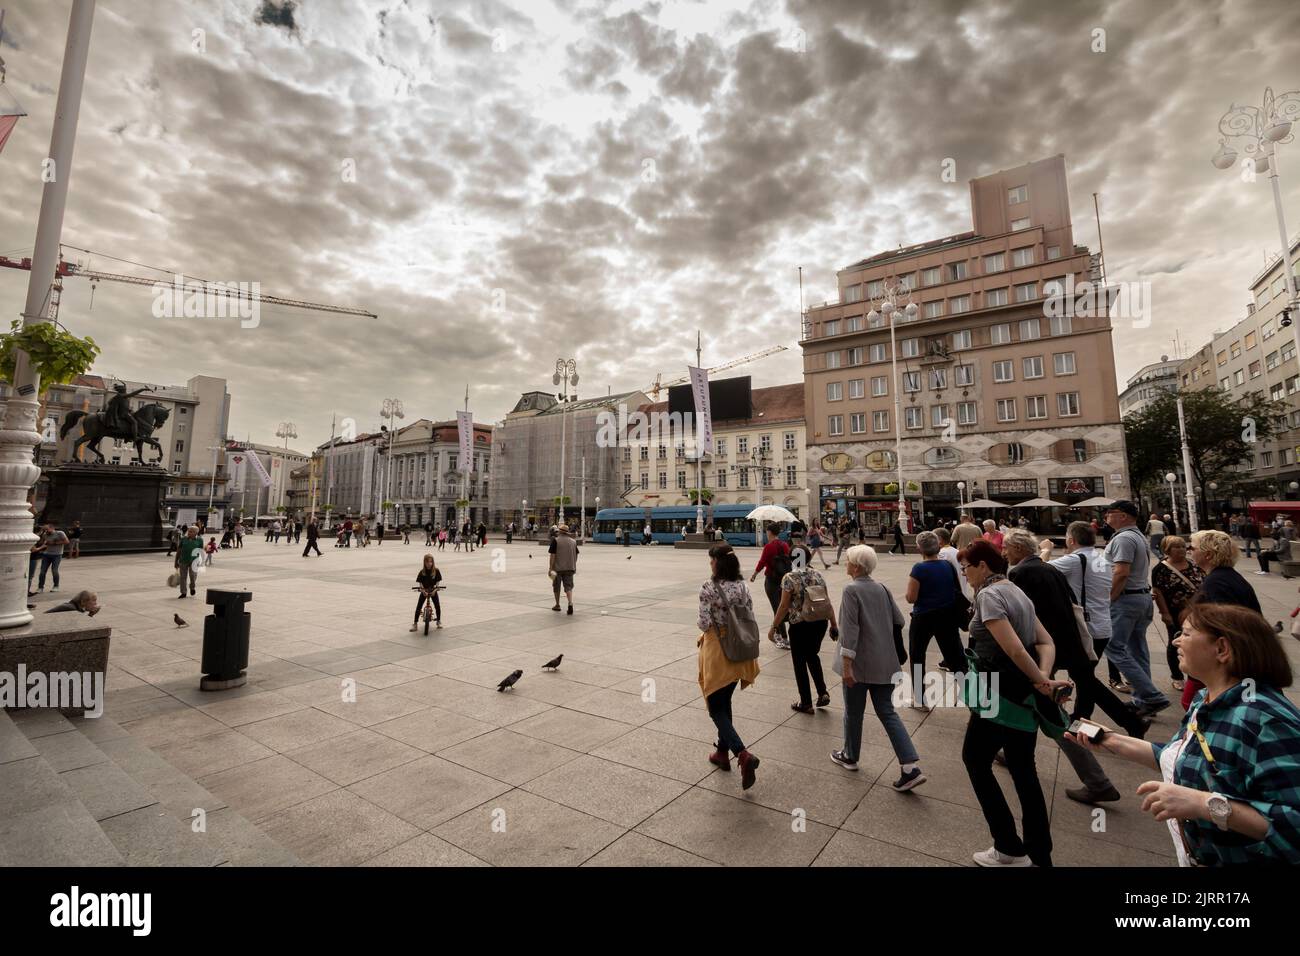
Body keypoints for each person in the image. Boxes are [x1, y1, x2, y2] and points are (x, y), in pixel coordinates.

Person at [1069, 602, 1300, 865]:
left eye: (1187, 634)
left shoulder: (1265, 721)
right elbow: (1179, 756)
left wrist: (1205, 805)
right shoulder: (1206, 699)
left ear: (1222, 649)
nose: (1177, 641)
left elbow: (1294, 825)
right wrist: (1113, 741)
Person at [958, 539, 1071, 866]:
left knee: (975, 761)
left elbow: (1015, 650)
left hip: (999, 693)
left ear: (982, 565)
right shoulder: (1016, 590)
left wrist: (1040, 680)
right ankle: (1039, 854)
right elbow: (1044, 641)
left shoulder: (990, 595)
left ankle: (1007, 845)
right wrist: (1043, 678)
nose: (965, 575)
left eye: (966, 568)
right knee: (1024, 770)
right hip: (1026, 695)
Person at [1005, 528, 1137, 805]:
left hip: (1040, 652)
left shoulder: (1021, 574)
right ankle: (1009, 748)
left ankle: (1097, 781)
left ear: (1017, 550)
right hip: (1060, 646)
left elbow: (1022, 616)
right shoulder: (1048, 569)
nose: (1004, 553)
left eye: (1006, 548)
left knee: (1052, 714)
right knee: (1029, 704)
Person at [830, 544, 926, 791]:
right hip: (885, 661)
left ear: (857, 566)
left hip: (860, 663)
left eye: (848, 560)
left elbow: (850, 631)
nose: (846, 564)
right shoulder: (881, 588)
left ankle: (850, 755)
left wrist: (847, 665)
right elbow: (899, 620)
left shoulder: (851, 590)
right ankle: (910, 766)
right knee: (887, 712)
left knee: (853, 711)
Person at [1049, 520, 1151, 734]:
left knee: (1084, 678)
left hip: (1086, 630)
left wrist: (1045, 550)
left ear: (1071, 539)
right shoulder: (1102, 558)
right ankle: (1081, 721)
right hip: (1102, 626)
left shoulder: (1075, 560)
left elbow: (1035, 570)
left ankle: (1130, 722)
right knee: (1085, 679)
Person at [696, 544, 762, 789]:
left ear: (718, 563)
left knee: (715, 707)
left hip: (719, 651)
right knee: (725, 701)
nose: (710, 564)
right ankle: (722, 753)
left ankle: (742, 754)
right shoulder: (743, 586)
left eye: (711, 560)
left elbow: (703, 623)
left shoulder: (709, 588)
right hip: (741, 651)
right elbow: (749, 611)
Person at [1102, 499, 1169, 718]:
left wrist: (1109, 599)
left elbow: (1121, 572)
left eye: (1110, 513)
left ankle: (1151, 696)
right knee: (1137, 649)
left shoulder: (1123, 539)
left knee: (1113, 647)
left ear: (1123, 515)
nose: (1106, 517)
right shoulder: (1137, 535)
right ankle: (1144, 700)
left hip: (1126, 600)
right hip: (1140, 597)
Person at [771, 543, 837, 714]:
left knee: (800, 662)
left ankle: (806, 702)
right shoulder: (818, 574)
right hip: (820, 622)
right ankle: (822, 693)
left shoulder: (789, 578)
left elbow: (784, 605)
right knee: (812, 656)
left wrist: (774, 627)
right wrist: (834, 624)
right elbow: (826, 601)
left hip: (800, 625)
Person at [904, 531, 966, 706]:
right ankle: (972, 696)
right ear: (938, 546)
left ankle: (920, 699)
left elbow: (911, 597)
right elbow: (956, 589)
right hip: (947, 616)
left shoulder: (919, 568)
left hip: (923, 617)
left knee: (917, 656)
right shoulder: (947, 565)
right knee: (956, 657)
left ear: (919, 549)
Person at [1151, 535, 1204, 693]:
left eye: (1183, 546)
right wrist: (1164, 613)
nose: (1181, 550)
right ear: (1167, 550)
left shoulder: (1193, 565)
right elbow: (1158, 592)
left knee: (1198, 642)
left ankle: (1197, 674)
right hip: (1175, 612)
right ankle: (1177, 676)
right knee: (1175, 642)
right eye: (1177, 547)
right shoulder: (1160, 569)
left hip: (1198, 611)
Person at [749, 522, 792, 649]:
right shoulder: (785, 545)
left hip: (771, 581)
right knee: (783, 606)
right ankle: (780, 634)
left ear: (769, 533)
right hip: (783, 579)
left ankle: (783, 638)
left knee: (777, 609)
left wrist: (754, 574)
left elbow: (762, 562)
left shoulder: (768, 547)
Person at [549, 523, 579, 614]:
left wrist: (550, 568)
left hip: (557, 569)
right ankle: (570, 603)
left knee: (556, 586)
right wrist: (573, 563)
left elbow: (552, 556)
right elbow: (577, 554)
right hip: (570, 568)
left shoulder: (556, 541)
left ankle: (557, 605)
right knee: (568, 587)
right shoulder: (573, 542)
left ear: (559, 532)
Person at [410, 554, 444, 631]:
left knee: (437, 606)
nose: (429, 563)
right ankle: (415, 623)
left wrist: (435, 590)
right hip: (424, 590)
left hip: (433, 590)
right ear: (424, 562)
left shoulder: (436, 571)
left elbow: (438, 582)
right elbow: (420, 583)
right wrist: (422, 591)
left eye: (431, 562)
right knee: (419, 606)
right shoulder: (422, 572)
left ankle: (438, 621)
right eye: (427, 562)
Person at [35, 522, 69, 593]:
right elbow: (41, 543)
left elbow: (67, 541)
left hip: (57, 555)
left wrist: (54, 543)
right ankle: (40, 587)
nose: (46, 531)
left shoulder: (60, 533)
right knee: (42, 572)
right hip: (46, 554)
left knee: (54, 570)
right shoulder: (44, 534)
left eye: (47, 529)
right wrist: (41, 535)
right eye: (45, 530)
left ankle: (56, 586)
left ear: (52, 528)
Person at [175, 525, 203, 598]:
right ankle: (183, 592)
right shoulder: (183, 539)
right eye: (189, 531)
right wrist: (176, 561)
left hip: (194, 561)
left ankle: (192, 587)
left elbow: (200, 550)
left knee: (193, 576)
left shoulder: (200, 540)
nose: (188, 532)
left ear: (196, 533)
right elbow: (179, 550)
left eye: (191, 531)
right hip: (183, 560)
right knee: (183, 577)